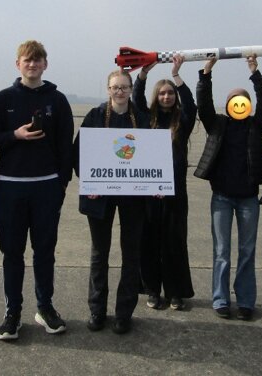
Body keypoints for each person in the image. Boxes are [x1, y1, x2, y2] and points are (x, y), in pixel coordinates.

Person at [0, 40, 74, 341]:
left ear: (45, 65)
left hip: (47, 187)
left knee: (44, 251)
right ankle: (12, 313)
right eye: (27, 60)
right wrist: (15, 135)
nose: (33, 65)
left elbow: (65, 145)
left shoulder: (58, 100)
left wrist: (61, 183)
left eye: (38, 60)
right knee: (12, 252)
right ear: (18, 64)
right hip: (11, 187)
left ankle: (45, 307)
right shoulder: (4, 99)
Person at [194, 54, 262, 321]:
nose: (238, 104)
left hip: (249, 198)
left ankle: (246, 301)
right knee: (221, 252)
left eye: (243, 101)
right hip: (222, 198)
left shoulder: (255, 126)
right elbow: (203, 104)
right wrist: (206, 73)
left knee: (247, 252)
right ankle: (221, 299)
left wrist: (254, 73)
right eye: (233, 101)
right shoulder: (217, 124)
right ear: (228, 106)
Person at [74, 69, 150, 334]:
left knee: (131, 254)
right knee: (99, 253)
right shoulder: (95, 116)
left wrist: (156, 183)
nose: (120, 92)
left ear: (131, 90)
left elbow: (152, 155)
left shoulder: (141, 118)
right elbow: (79, 153)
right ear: (108, 90)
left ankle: (124, 313)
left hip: (133, 196)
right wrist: (90, 182)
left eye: (124, 87)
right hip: (100, 197)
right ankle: (97, 310)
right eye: (115, 87)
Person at [132, 55, 196, 311]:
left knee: (174, 243)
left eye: (170, 93)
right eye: (162, 93)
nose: (167, 96)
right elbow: (137, 99)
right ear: (156, 96)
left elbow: (191, 105)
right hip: (148, 192)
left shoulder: (183, 121)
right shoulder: (147, 120)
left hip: (175, 193)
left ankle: (175, 292)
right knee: (149, 242)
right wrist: (143, 74)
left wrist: (177, 75)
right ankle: (152, 290)